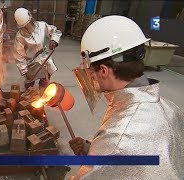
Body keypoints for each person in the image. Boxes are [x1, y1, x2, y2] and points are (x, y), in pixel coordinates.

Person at [69, 15, 184, 179]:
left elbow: (120, 148)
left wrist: (105, 150)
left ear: (103, 71)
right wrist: (95, 150)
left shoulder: (118, 137)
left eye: (91, 72)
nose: (91, 78)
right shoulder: (172, 109)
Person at [13, 8, 62, 90]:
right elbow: (19, 56)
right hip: (31, 63)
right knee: (29, 87)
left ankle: (43, 95)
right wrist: (24, 71)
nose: (27, 28)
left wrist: (54, 40)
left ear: (31, 19)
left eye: (28, 24)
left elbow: (55, 31)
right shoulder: (19, 37)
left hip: (44, 58)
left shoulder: (41, 26)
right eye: (24, 27)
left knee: (45, 81)